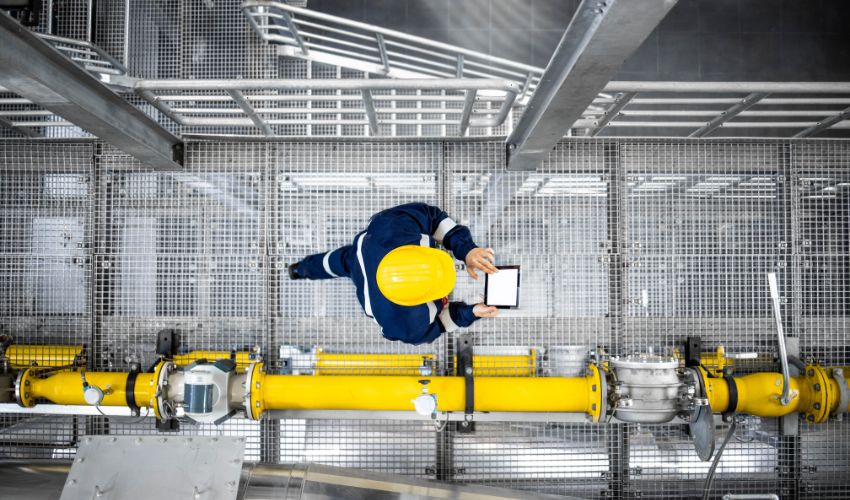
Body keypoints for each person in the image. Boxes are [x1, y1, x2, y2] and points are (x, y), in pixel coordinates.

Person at [288, 203, 499, 345]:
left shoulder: (393, 226)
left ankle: (299, 270)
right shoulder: (405, 325)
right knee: (337, 262)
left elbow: (433, 218)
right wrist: (472, 312)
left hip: (365, 252)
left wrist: (467, 250)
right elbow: (442, 324)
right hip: (367, 275)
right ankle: (298, 270)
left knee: (334, 262)